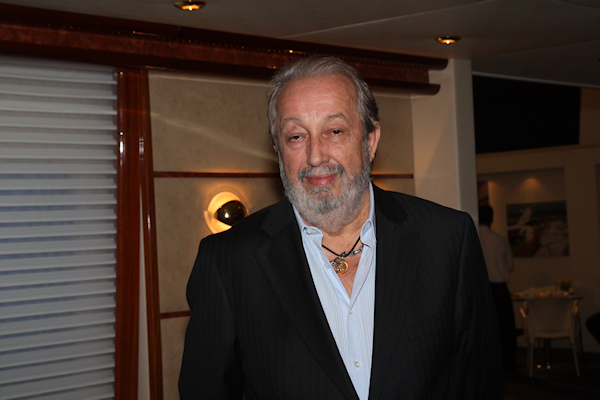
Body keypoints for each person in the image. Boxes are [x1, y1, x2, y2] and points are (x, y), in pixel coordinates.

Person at [179, 55, 503, 399]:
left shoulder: (447, 239)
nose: (316, 156)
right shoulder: (228, 262)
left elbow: (480, 384)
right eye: (296, 137)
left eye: (334, 131)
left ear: (370, 140)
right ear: (278, 150)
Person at [478, 204, 518, 377]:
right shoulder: (500, 240)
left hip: (481, 290)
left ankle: (486, 368)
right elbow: (510, 265)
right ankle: (509, 367)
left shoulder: (473, 238)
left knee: (483, 330)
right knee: (506, 329)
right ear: (491, 219)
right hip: (499, 290)